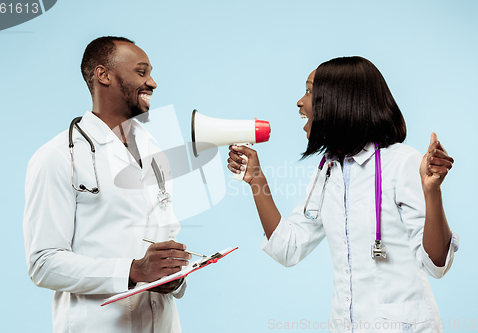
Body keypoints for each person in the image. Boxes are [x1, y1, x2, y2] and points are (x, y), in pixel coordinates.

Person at [228, 56, 458, 332]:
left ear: (340, 100)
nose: (301, 102)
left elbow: (436, 265)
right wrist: (256, 179)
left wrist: (432, 192)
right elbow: (288, 248)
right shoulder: (328, 171)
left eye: (310, 91)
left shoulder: (401, 163)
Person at [23, 36, 191, 333]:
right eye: (142, 72)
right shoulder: (59, 156)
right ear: (104, 75)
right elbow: (43, 263)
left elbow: (167, 235)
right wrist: (134, 270)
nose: (152, 83)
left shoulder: (156, 152)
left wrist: (174, 274)